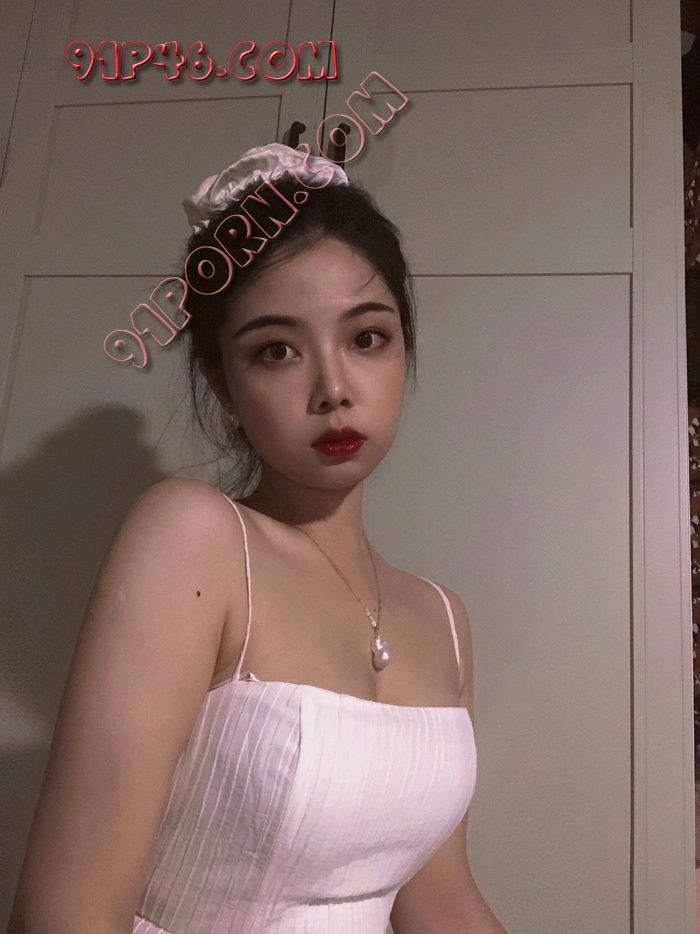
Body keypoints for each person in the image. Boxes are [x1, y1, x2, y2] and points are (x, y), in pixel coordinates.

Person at [7, 144, 506, 933]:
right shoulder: (195, 539)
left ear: (405, 349)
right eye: (277, 351)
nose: (334, 388)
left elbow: (440, 899)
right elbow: (65, 915)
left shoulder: (444, 618)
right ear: (224, 387)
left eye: (367, 338)